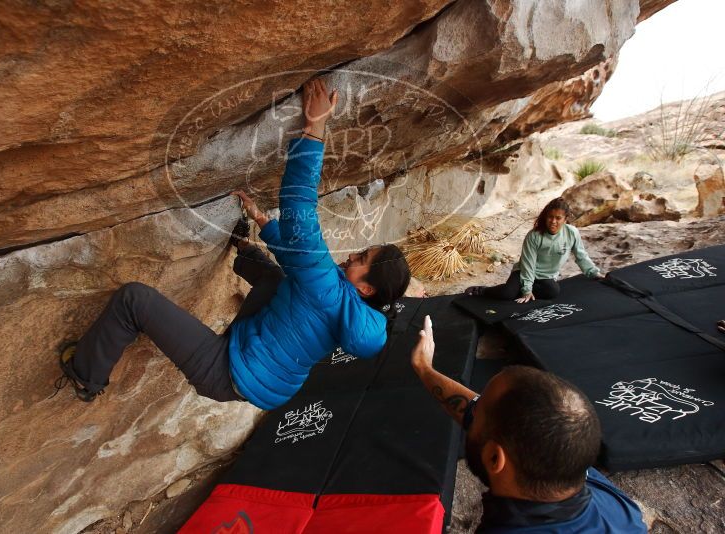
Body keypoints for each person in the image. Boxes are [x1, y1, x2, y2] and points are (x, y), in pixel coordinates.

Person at [53, 78, 411, 410]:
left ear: (365, 288)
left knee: (133, 299)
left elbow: (299, 207)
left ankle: (86, 377)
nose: (352, 255)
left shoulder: (329, 290)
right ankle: (243, 252)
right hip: (266, 381)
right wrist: (261, 224)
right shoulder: (355, 312)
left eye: (362, 257)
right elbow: (300, 265)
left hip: (224, 371)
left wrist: (314, 128)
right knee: (278, 279)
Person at [411, 316, 647, 533]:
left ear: (495, 458)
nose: (473, 410)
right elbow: (478, 412)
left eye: (479, 411)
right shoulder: (610, 502)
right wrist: (424, 369)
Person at [465, 197, 603, 303]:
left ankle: (518, 289)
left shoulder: (572, 233)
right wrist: (526, 290)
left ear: (565, 219)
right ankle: (483, 290)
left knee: (553, 291)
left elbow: (581, 255)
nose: (553, 221)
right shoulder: (534, 236)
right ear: (545, 217)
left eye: (558, 218)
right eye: (550, 217)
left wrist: (593, 273)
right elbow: (528, 264)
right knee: (506, 294)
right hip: (523, 272)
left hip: (546, 277)